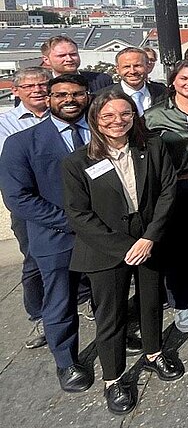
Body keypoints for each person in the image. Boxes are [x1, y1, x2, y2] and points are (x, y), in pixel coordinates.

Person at [62, 90, 183, 415]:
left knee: (151, 303)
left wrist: (149, 238)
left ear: (134, 116)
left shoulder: (152, 147)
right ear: (96, 120)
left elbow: (168, 191)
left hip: (149, 241)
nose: (118, 122)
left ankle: (154, 354)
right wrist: (127, 246)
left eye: (125, 114)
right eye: (109, 117)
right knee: (111, 316)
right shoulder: (78, 162)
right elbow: (79, 214)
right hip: (105, 249)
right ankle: (113, 379)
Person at [0, 73, 93, 394]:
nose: (70, 100)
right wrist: (73, 223)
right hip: (56, 237)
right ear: (49, 99)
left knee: (108, 296)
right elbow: (18, 198)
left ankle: (116, 338)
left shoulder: (103, 133)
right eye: (61, 94)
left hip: (105, 237)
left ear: (87, 96)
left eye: (77, 94)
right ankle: (66, 361)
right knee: (59, 301)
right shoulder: (22, 142)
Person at [144, 59, 188, 333]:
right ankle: (182, 303)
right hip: (176, 187)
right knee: (177, 249)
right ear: (172, 81)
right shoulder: (156, 114)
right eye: (184, 78)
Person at [0, 67, 52, 350]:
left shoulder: (64, 116)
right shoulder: (5, 124)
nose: (38, 90)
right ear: (16, 91)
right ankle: (39, 315)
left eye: (43, 84)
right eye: (30, 85)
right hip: (29, 203)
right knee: (34, 260)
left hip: (65, 199)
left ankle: (83, 302)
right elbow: (13, 169)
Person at [100, 47, 166, 115]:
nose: (132, 71)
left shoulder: (164, 93)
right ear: (117, 69)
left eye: (137, 66)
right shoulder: (102, 97)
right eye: (127, 67)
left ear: (147, 66)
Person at [40, 35, 112, 93]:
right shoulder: (42, 86)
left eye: (73, 54)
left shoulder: (101, 81)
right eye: (62, 56)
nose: (69, 59)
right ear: (46, 60)